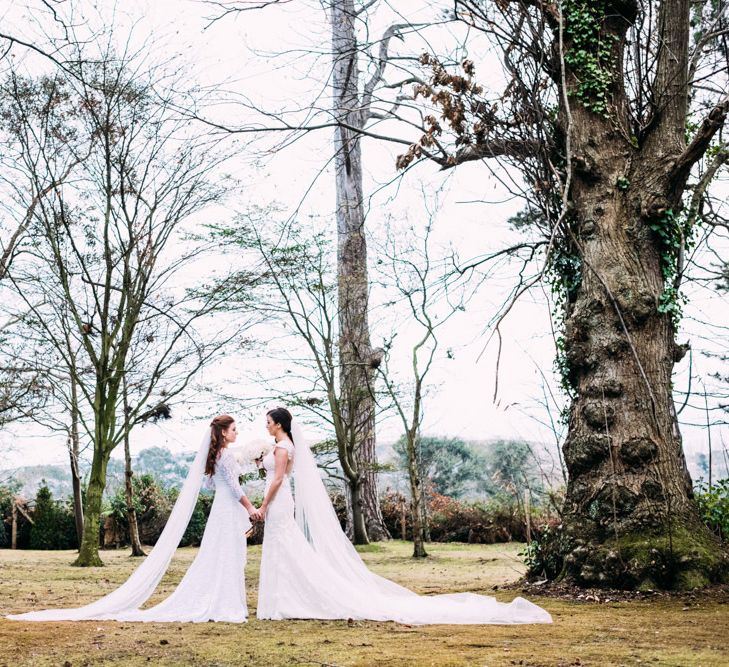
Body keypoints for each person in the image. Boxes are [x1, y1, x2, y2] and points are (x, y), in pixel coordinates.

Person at [256, 407, 552, 625]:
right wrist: (258, 460)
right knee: (283, 548)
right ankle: (280, 597)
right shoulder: (278, 447)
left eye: (268, 422)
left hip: (279, 501)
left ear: (279, 424)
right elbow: (271, 473)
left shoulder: (283, 448)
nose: (266, 426)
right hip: (280, 501)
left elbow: (279, 480)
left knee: (286, 547)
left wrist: (264, 505)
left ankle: (286, 597)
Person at [7, 415, 259, 623]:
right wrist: (250, 508)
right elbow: (235, 489)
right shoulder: (225, 455)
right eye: (234, 429)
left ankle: (223, 601)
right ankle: (226, 604)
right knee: (226, 555)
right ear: (224, 433)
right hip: (227, 509)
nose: (237, 433)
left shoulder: (217, 455)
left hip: (220, 510)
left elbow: (210, 484)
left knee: (220, 555)